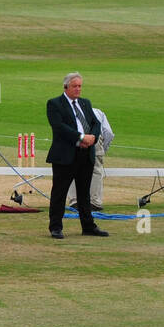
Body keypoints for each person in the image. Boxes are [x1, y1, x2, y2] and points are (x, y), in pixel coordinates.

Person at [45, 72, 109, 239]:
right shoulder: (54, 104)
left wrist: (92, 138)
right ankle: (56, 227)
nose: (78, 89)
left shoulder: (85, 103)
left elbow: (96, 123)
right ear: (66, 87)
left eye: (80, 86)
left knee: (84, 193)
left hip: (86, 154)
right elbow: (59, 127)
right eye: (75, 86)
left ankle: (88, 226)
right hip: (65, 156)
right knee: (59, 192)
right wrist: (80, 137)